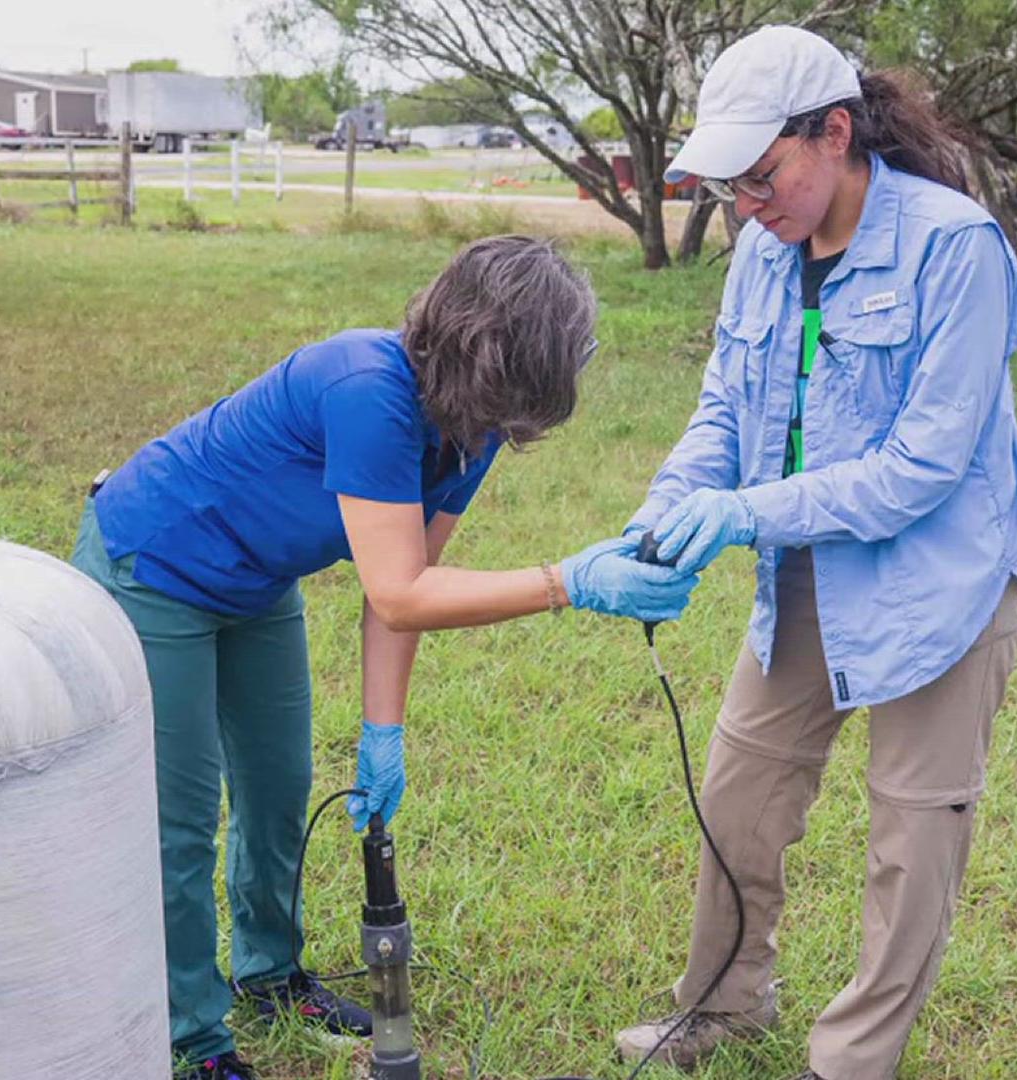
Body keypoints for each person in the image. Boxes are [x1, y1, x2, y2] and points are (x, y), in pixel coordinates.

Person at [70, 235, 697, 1080]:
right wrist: (567, 582)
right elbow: (402, 592)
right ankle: (194, 1034)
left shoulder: (474, 429)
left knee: (278, 786)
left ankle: (268, 973)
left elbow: (397, 595)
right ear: (488, 350)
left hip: (257, 582)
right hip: (157, 563)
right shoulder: (368, 387)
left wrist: (382, 731)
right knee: (180, 818)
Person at [605, 26, 1017, 1080]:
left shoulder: (957, 249)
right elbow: (723, 407)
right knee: (740, 791)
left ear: (836, 135)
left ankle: (851, 1059)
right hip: (808, 570)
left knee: (913, 836)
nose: (749, 207)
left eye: (763, 177)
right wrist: (672, 506)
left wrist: (745, 513)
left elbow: (921, 469)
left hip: (944, 582)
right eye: (730, 189)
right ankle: (722, 1007)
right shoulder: (763, 256)